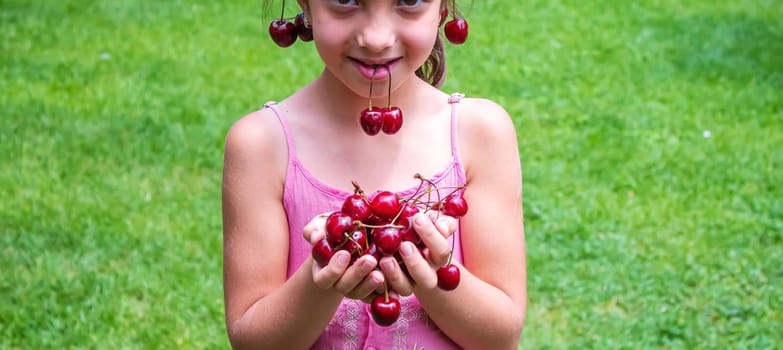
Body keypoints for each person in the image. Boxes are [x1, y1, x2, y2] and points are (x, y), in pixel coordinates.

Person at [221, 0, 527, 348]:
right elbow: (252, 342)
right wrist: (321, 279)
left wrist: (428, 274)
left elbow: (501, 337)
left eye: (409, 1)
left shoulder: (479, 133)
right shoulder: (262, 144)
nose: (376, 38)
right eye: (346, 0)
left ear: (443, 9)